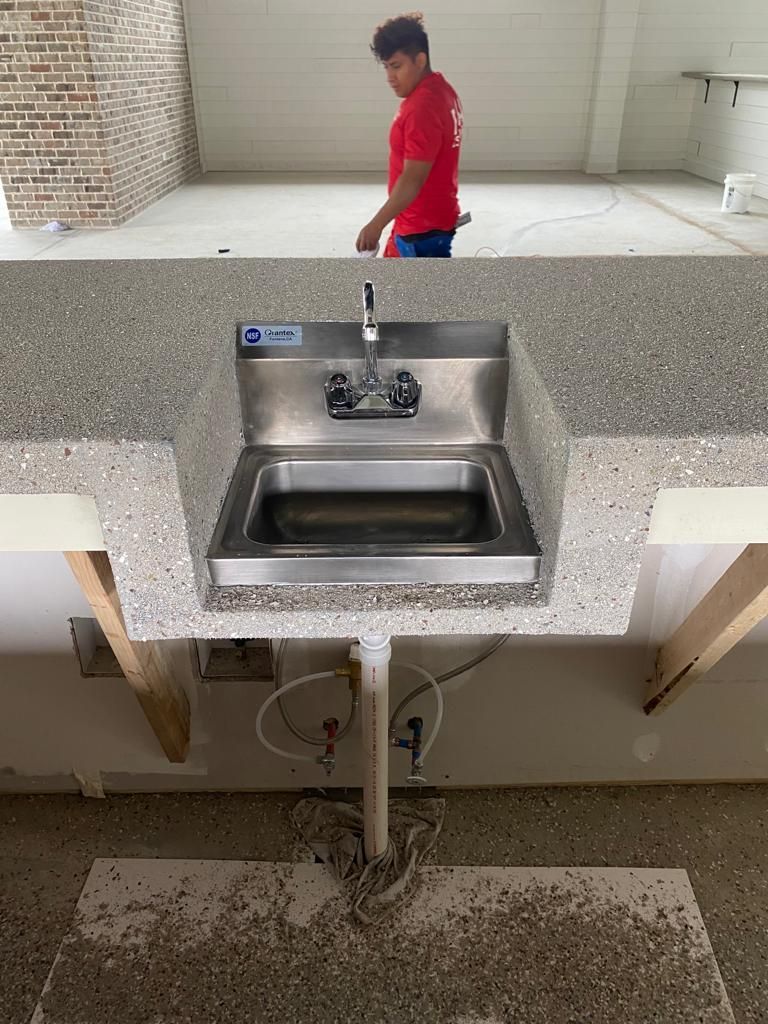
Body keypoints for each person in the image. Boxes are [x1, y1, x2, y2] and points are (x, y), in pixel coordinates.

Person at [355, 12, 463, 259]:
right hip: (422, 221)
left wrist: (375, 225)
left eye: (396, 66)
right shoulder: (443, 90)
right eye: (386, 67)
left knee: (411, 296)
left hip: (421, 232)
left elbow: (413, 178)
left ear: (420, 60)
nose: (390, 77)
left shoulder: (421, 108)